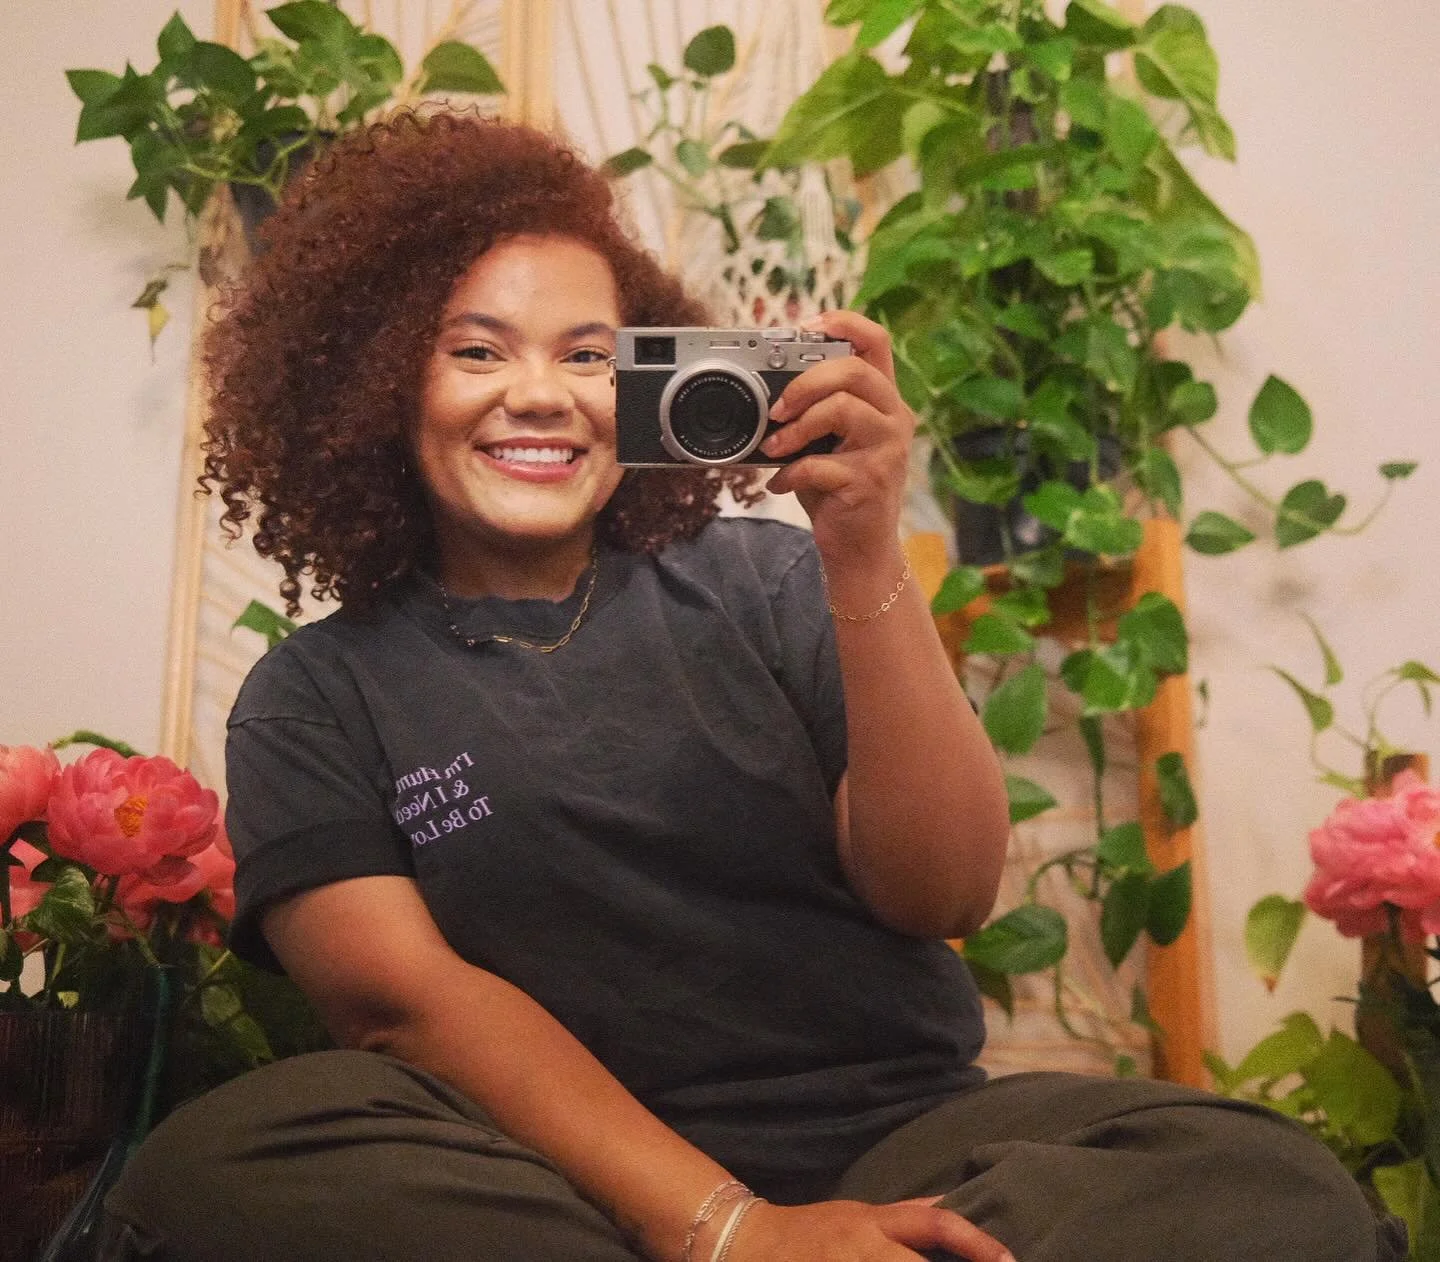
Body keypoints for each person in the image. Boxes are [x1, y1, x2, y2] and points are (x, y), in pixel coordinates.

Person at [98, 110, 1398, 1262]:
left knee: (1272, 1187)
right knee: (225, 1158)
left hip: (901, 1141)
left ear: (657, 377)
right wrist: (732, 1229)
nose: (541, 395)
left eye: (593, 355)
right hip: (549, 1183)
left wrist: (867, 552)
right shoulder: (312, 694)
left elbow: (941, 889)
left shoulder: (769, 582)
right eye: (477, 352)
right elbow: (398, 1007)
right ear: (378, 384)